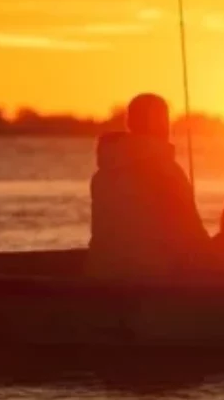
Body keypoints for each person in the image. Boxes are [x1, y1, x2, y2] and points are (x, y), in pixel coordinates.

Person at [87, 93, 209, 281]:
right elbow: (193, 235)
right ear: (159, 124)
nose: (167, 126)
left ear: (130, 124)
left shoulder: (103, 174)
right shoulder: (167, 172)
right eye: (164, 119)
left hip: (104, 272)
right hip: (155, 276)